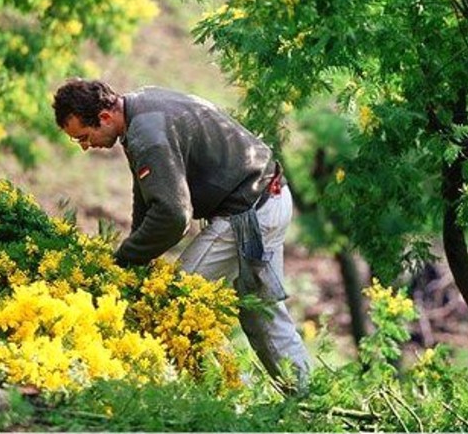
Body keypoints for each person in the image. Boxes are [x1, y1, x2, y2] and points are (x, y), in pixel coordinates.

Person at [52, 78, 310, 392]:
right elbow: (149, 193)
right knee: (260, 309)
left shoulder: (148, 134)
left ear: (104, 117)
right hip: (265, 194)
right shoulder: (139, 107)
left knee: (176, 301)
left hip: (250, 211)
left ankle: (231, 394)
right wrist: (136, 258)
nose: (84, 146)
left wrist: (124, 259)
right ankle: (303, 398)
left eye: (83, 136)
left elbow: (173, 216)